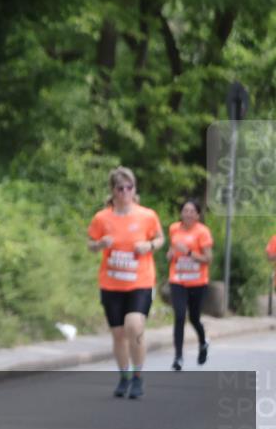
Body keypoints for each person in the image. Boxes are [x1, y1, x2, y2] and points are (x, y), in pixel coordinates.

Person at [87, 167, 164, 399]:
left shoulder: (146, 215)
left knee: (134, 326)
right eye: (120, 188)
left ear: (134, 189)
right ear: (113, 191)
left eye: (129, 187)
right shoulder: (102, 218)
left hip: (140, 281)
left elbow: (160, 238)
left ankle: (138, 376)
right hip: (111, 284)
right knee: (118, 334)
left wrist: (149, 246)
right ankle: (124, 376)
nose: (125, 192)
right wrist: (100, 244)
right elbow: (90, 244)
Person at [166, 200, 213, 370]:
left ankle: (203, 342)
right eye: (185, 210)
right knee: (179, 316)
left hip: (197, 281)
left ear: (198, 215)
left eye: (192, 211)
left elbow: (208, 259)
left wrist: (188, 252)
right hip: (177, 279)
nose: (188, 214)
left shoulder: (203, 232)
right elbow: (171, 252)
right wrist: (171, 254)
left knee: (194, 318)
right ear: (181, 213)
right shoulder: (174, 229)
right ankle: (178, 357)